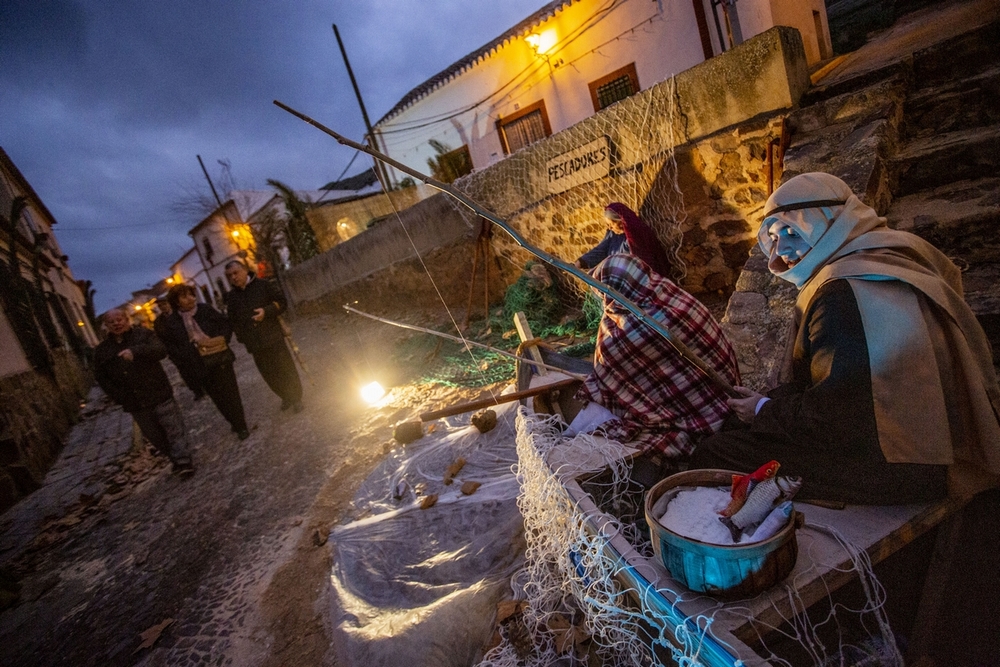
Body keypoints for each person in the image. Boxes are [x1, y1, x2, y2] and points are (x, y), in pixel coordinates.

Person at [690, 172, 1000, 504]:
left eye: (793, 232)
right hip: (935, 438)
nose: (781, 252)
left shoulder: (840, 294)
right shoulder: (886, 253)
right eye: (774, 238)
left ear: (831, 225)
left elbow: (836, 422)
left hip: (902, 463)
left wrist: (764, 409)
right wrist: (769, 405)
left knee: (716, 452)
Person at [575, 253, 741, 462]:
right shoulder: (675, 297)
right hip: (730, 397)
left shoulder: (624, 334)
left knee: (607, 418)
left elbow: (607, 374)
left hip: (699, 415)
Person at [95, 308, 194, 475]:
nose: (117, 323)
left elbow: (161, 350)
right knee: (155, 436)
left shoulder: (143, 335)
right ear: (106, 326)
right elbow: (102, 378)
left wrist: (136, 352)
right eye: (112, 322)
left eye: (120, 319)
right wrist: (119, 397)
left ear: (127, 320)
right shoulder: (102, 350)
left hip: (158, 392)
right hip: (135, 403)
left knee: (174, 429)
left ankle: (184, 461)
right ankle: (175, 458)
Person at [156, 284, 250, 440]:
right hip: (199, 365)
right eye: (185, 296)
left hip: (220, 358)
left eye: (191, 295)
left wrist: (222, 339)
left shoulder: (205, 309)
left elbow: (225, 323)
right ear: (177, 301)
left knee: (231, 393)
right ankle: (232, 420)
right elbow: (170, 346)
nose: (191, 298)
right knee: (218, 397)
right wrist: (186, 356)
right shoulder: (171, 322)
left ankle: (241, 425)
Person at [223, 260, 303, 413]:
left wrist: (266, 311)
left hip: (272, 336)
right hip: (254, 343)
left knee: (285, 369)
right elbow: (233, 321)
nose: (233, 277)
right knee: (269, 374)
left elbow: (281, 302)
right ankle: (285, 396)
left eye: (235, 273)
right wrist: (242, 338)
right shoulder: (232, 298)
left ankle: (296, 397)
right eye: (229, 276)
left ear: (245, 270)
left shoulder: (263, 285)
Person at [575, 203, 674, 278]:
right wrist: (579, 263)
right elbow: (601, 250)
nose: (609, 228)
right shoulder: (612, 235)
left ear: (621, 222)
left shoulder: (636, 237)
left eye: (611, 224)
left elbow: (641, 264)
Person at [153, 296, 206, 401]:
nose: (163, 307)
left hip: (189, 347)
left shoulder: (180, 314)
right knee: (186, 373)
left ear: (169, 304)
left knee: (198, 367)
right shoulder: (158, 322)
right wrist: (170, 352)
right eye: (160, 306)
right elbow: (161, 339)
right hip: (175, 352)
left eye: (164, 304)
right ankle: (196, 391)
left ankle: (205, 386)